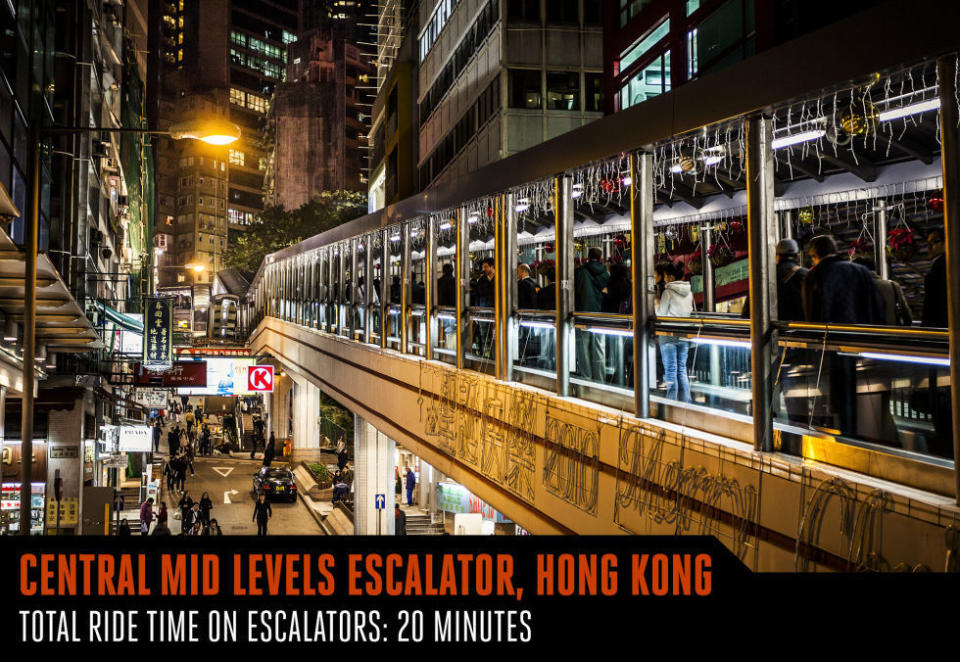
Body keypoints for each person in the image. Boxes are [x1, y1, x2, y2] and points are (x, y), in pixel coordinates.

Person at [802, 235, 884, 324]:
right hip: (864, 334)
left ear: (814, 256)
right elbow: (877, 308)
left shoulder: (814, 275)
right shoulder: (861, 271)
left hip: (831, 334)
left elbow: (811, 314)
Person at [654, 260, 694, 403]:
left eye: (665, 277)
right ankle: (686, 402)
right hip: (684, 335)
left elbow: (661, 315)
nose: (664, 280)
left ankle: (672, 403)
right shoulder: (689, 292)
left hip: (668, 335)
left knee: (671, 371)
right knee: (681, 370)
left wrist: (656, 303)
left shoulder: (668, 292)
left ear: (670, 277)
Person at [574, 248, 610, 382]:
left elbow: (575, 292)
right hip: (599, 315)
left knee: (583, 346)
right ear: (600, 257)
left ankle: (586, 378)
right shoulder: (605, 273)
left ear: (588, 257)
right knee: (599, 346)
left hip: (582, 313)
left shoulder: (580, 271)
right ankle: (600, 379)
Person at [853, 256, 913, 325]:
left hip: (865, 333)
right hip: (891, 332)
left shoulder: (856, 288)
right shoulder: (893, 286)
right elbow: (908, 316)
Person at [922, 228, 947, 327]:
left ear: (946, 243)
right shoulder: (939, 264)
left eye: (934, 242)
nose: (929, 247)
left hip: (938, 326)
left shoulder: (943, 265)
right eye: (928, 243)